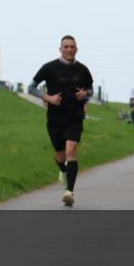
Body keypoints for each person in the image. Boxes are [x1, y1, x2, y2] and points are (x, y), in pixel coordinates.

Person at [30, 35, 94, 207]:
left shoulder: (83, 69)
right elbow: (31, 87)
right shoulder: (49, 67)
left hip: (75, 116)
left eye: (72, 46)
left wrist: (85, 94)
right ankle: (63, 172)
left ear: (76, 49)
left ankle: (69, 192)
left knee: (71, 150)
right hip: (55, 117)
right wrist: (48, 98)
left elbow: (90, 89)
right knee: (60, 156)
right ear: (60, 49)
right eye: (66, 46)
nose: (69, 49)